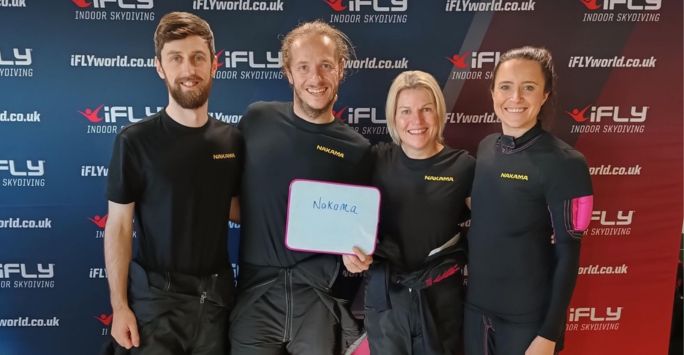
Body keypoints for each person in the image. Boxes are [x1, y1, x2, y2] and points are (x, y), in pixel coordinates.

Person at [228, 20, 373, 355]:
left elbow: (358, 229)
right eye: (304, 67)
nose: (316, 78)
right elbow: (228, 196)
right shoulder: (256, 119)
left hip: (318, 302)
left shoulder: (358, 149)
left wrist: (358, 256)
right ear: (288, 72)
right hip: (256, 296)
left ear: (341, 69)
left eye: (325, 65)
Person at [103, 12, 242, 354]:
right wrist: (120, 307)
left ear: (214, 64)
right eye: (176, 58)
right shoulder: (134, 141)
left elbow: (240, 211)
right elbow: (119, 227)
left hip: (217, 304)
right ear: (160, 67)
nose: (188, 69)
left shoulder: (233, 141)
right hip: (154, 304)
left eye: (198, 57)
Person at [464, 46, 594, 355]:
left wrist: (549, 333)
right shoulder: (485, 147)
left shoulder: (567, 163)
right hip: (476, 312)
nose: (516, 98)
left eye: (529, 88)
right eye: (506, 87)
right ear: (493, 91)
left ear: (546, 94)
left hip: (527, 322)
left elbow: (569, 252)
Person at [362, 70, 475, 355]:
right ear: (394, 117)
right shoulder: (375, 160)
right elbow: (344, 215)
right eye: (406, 111)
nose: (417, 121)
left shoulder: (463, 167)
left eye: (426, 109)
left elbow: (492, 230)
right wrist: (347, 252)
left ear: (438, 112)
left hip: (441, 302)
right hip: (387, 301)